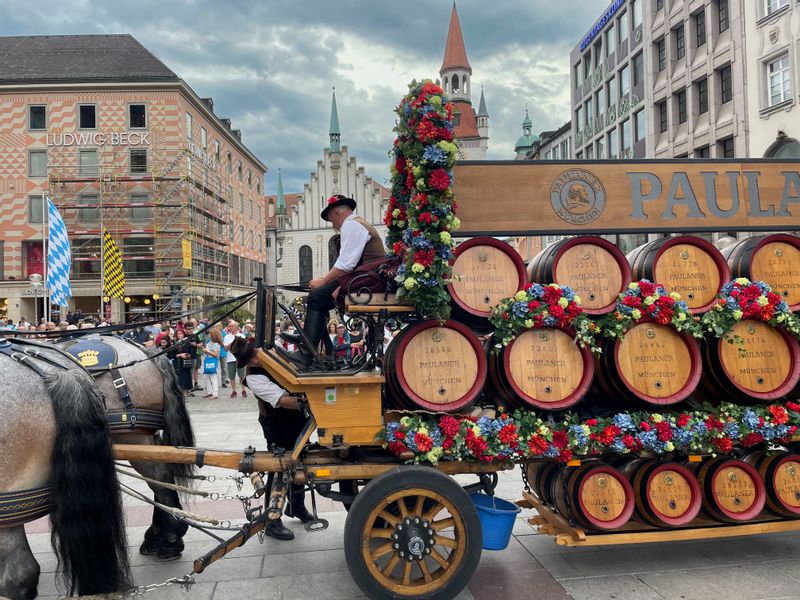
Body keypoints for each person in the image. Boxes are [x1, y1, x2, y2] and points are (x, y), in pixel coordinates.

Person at [282, 195, 385, 367]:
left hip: (367, 280)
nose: (333, 227)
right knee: (318, 297)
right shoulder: (357, 223)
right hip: (366, 277)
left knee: (317, 296)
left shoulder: (351, 225)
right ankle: (309, 341)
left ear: (338, 214)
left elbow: (345, 264)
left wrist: (323, 281)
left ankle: (306, 353)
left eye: (332, 221)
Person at [230, 337, 313, 540]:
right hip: (277, 422)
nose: (256, 361)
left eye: (255, 354)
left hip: (296, 420)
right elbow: (283, 401)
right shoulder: (253, 378)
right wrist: (314, 402)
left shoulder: (275, 352)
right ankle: (271, 521)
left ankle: (297, 506)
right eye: (250, 360)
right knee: (278, 467)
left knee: (299, 460)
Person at [222, 320, 247, 398]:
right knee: (231, 376)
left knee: (242, 375)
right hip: (230, 359)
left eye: (232, 326)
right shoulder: (226, 337)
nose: (230, 328)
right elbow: (225, 349)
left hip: (240, 359)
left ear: (236, 327)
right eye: (229, 326)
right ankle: (234, 391)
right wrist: (232, 343)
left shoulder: (242, 336)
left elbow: (245, 348)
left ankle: (243, 390)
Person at [171, 330, 196, 395]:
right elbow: (171, 355)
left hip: (186, 362)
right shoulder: (174, 343)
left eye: (180, 334)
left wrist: (187, 355)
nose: (179, 335)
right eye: (178, 334)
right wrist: (179, 355)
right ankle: (182, 393)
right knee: (180, 378)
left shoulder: (187, 342)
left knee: (187, 376)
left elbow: (193, 353)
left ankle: (187, 392)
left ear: (183, 334)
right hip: (178, 363)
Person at [201, 328, 222, 399]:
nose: (209, 335)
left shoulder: (216, 344)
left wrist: (207, 351)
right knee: (205, 377)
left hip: (213, 360)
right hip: (207, 360)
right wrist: (204, 350)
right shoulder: (209, 343)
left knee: (213, 377)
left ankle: (215, 393)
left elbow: (216, 354)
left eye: (210, 334)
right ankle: (209, 392)